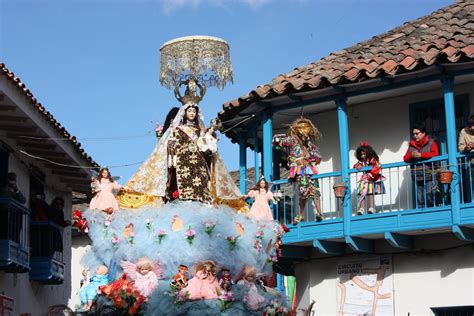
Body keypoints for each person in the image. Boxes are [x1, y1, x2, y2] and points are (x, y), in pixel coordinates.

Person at [123, 103, 246, 211]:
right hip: (183, 164)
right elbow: (169, 145)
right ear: (184, 113)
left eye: (194, 111)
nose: (192, 113)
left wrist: (209, 137)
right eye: (189, 111)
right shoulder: (177, 129)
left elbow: (206, 146)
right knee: (182, 186)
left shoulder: (200, 130)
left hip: (199, 164)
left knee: (202, 187)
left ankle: (202, 202)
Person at [273, 117, 323, 224]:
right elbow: (276, 141)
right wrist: (281, 139)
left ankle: (319, 213)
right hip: (301, 170)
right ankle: (301, 215)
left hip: (310, 170)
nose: (305, 135)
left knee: (316, 192)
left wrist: (316, 157)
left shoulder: (309, 144)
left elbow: (317, 155)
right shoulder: (293, 140)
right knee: (303, 193)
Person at [403, 123, 439, 208]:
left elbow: (435, 154)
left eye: (417, 133)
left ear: (423, 133)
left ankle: (431, 214)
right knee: (420, 200)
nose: (415, 136)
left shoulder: (431, 142)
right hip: (417, 175)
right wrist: (412, 155)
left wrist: (421, 155)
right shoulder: (411, 145)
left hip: (430, 174)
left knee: (429, 197)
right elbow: (405, 158)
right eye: (414, 134)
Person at [353, 142, 385, 215]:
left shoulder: (373, 160)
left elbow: (377, 166)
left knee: (370, 192)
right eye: (361, 154)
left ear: (368, 153)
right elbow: (356, 165)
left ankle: (371, 207)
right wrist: (357, 166)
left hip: (372, 178)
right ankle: (361, 208)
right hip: (364, 179)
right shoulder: (362, 161)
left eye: (364, 154)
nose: (363, 156)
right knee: (361, 192)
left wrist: (371, 174)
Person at [0, 172, 26, 243]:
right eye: (11, 179)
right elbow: (3, 196)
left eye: (14, 179)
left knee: (15, 229)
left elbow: (23, 200)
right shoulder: (2, 189)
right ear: (7, 179)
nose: (12, 180)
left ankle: (15, 240)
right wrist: (6, 186)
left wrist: (16, 189)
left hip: (13, 217)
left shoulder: (14, 192)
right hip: (4, 215)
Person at [458, 115, 474, 202]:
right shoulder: (463, 131)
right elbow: (460, 147)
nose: (472, 127)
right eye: (470, 125)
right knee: (472, 187)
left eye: (473, 125)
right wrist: (466, 148)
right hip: (471, 163)